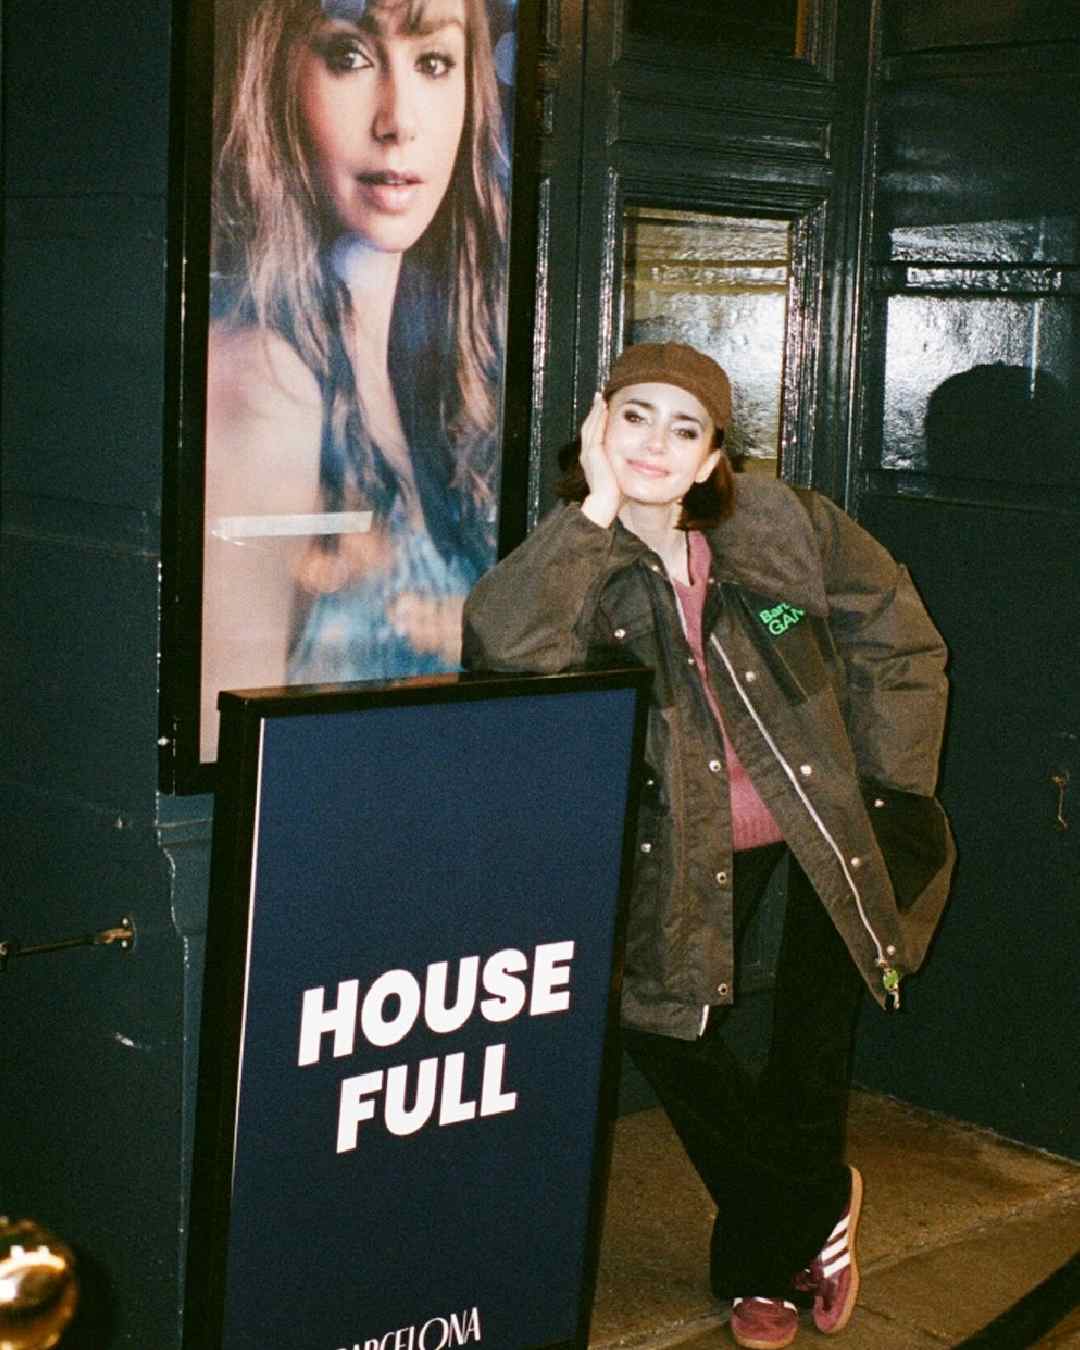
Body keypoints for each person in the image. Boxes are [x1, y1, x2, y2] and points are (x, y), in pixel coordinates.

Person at [462, 342, 955, 1348]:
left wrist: (888, 779)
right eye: (634, 415)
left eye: (684, 428)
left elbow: (898, 635)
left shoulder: (784, 526)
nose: (655, 442)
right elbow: (506, 652)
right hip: (678, 846)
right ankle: (808, 1210)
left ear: (712, 455)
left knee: (811, 1045)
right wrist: (594, 507)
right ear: (599, 425)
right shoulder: (575, 559)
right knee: (662, 1022)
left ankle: (756, 1265)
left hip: (823, 825)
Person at [200, 0, 508, 760]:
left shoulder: (449, 379)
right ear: (278, 80)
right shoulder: (264, 382)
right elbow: (223, 756)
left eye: (433, 63)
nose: (398, 118)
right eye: (348, 58)